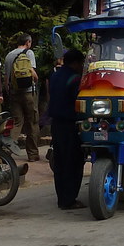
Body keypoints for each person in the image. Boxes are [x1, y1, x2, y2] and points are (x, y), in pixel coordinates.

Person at [48, 49, 87, 210]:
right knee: (74, 163)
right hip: (71, 125)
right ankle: (69, 199)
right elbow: (79, 104)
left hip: (56, 124)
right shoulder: (75, 79)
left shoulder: (55, 75)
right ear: (76, 63)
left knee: (61, 162)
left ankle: (62, 198)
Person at [2, 33, 40, 162]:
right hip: (29, 93)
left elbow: (6, 79)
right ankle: (33, 154)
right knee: (32, 122)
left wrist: (9, 92)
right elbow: (33, 74)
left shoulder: (9, 56)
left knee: (17, 123)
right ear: (28, 42)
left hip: (14, 94)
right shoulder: (29, 53)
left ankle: (7, 152)